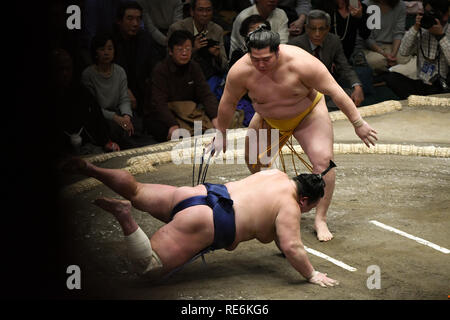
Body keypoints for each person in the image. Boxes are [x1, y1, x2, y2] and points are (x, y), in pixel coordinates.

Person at [61, 157, 339, 287]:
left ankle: (92, 169)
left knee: (136, 190)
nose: (304, 212)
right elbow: (292, 246)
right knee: (149, 267)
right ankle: (124, 215)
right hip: (208, 220)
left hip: (200, 193)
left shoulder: (276, 174)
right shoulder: (290, 207)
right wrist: (311, 274)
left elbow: (277, 230)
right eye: (310, 208)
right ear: (304, 201)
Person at [212, 26, 378, 241]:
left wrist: (358, 123)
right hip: (268, 119)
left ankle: (321, 219)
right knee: (254, 161)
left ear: (278, 51)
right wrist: (221, 133)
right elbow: (227, 103)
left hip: (307, 114)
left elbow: (336, 92)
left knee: (324, 162)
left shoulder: (302, 63)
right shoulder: (240, 71)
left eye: (266, 59)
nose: (261, 65)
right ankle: (272, 205)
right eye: (255, 59)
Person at [144, 30, 219, 141]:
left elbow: (206, 94)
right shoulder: (160, 70)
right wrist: (172, 124)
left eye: (188, 49)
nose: (184, 53)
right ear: (170, 51)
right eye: (180, 49)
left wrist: (215, 117)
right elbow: (159, 102)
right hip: (164, 115)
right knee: (176, 135)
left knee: (210, 130)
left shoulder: (194, 67)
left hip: (188, 113)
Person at [289, 10, 365, 109]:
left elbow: (344, 67)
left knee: (351, 97)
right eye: (313, 29)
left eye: (321, 29)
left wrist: (357, 86)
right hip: (302, 92)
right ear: (306, 28)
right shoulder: (294, 45)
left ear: (328, 29)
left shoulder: (334, 41)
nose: (317, 34)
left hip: (325, 89)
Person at [50, 48, 120, 156]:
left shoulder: (81, 92)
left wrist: (106, 141)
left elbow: (97, 117)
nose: (65, 74)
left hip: (86, 145)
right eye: (60, 69)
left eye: (68, 69)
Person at [383, 0, 450, 99]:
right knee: (391, 78)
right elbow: (403, 52)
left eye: (432, 13)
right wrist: (415, 28)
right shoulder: (421, 29)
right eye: (426, 12)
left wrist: (441, 37)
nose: (429, 16)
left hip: (443, 86)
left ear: (445, 15)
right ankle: (419, 100)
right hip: (421, 83)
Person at [81, 33, 138, 150]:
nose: (106, 52)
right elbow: (93, 107)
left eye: (110, 48)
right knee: (113, 128)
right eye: (102, 49)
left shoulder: (120, 71)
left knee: (135, 123)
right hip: (100, 115)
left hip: (118, 111)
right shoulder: (88, 74)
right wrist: (117, 118)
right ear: (95, 52)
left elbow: (124, 98)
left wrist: (126, 117)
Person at [112, 1, 158, 121]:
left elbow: (154, 67)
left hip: (141, 91)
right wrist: (125, 91)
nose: (135, 23)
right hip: (116, 91)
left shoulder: (145, 38)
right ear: (119, 21)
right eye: (130, 19)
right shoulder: (109, 40)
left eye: (138, 19)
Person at [167, 0, 229, 81]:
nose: (205, 14)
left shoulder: (217, 30)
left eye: (208, 10)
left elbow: (225, 65)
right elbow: (170, 61)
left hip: (208, 77)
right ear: (192, 12)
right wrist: (193, 49)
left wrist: (217, 56)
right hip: (181, 77)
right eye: (200, 10)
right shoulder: (177, 29)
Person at [361, 0, 412, 75]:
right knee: (378, 61)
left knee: (404, 60)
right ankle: (392, 71)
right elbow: (367, 37)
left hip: (392, 46)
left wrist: (393, 54)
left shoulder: (400, 5)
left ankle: (389, 71)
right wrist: (384, 54)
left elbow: (399, 32)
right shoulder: (366, 4)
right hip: (372, 48)